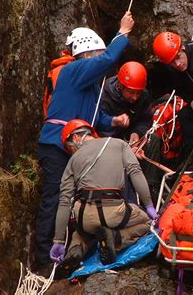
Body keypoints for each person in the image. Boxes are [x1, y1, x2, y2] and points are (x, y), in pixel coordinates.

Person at [34, 12, 134, 275]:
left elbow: (95, 119)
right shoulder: (73, 71)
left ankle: (76, 250)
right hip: (58, 146)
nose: (101, 62)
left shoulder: (90, 86)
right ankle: (45, 258)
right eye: (97, 55)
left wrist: (114, 121)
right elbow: (109, 59)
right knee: (56, 199)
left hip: (75, 147)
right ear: (88, 53)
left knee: (84, 198)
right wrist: (122, 33)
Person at [49, 119, 156, 278]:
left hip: (84, 215)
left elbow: (64, 201)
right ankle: (116, 238)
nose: (71, 152)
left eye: (69, 147)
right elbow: (135, 172)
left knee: (82, 232)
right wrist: (149, 206)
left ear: (77, 138)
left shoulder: (72, 161)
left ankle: (75, 250)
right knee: (147, 222)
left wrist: (58, 241)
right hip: (115, 212)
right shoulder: (119, 145)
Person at [153, 32, 193, 167]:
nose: (178, 64)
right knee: (185, 115)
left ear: (182, 48)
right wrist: (192, 100)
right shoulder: (174, 66)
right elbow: (178, 86)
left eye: (178, 58)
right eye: (172, 62)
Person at [100, 61, 162, 202]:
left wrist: (136, 135)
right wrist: (125, 147)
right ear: (120, 86)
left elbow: (145, 120)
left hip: (131, 138)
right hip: (110, 141)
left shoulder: (143, 96)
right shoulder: (104, 96)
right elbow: (101, 127)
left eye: (138, 93)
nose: (135, 97)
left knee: (153, 139)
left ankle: (150, 187)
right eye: (131, 92)